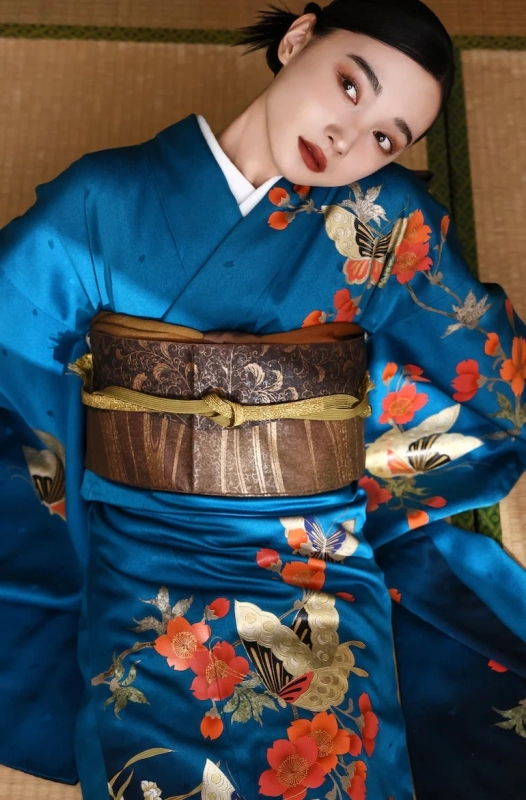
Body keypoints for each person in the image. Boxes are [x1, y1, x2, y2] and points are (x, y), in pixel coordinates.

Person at [0, 1, 525, 798]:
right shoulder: (105, 197)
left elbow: (484, 359)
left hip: (313, 551)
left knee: (338, 765)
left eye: (388, 136)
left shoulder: (385, 226)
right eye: (352, 86)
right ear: (299, 39)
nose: (352, 140)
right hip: (146, 553)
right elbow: (16, 334)